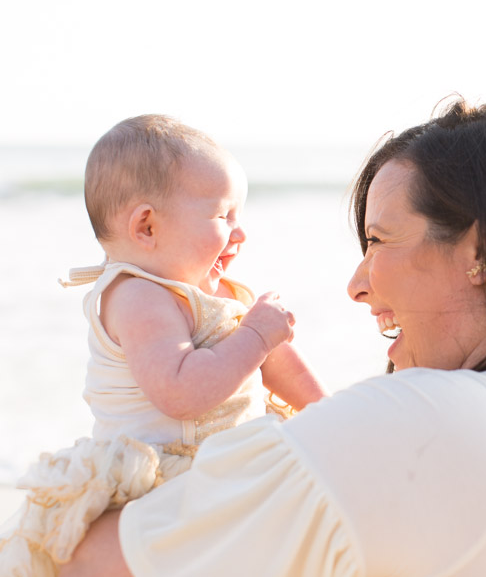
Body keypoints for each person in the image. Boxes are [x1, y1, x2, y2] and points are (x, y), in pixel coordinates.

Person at [61, 98, 486, 577]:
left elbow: (90, 565)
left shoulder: (416, 419)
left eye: (378, 241)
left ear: (480, 252)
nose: (357, 285)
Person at [0, 115, 327, 576]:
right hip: (163, 477)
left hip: (224, 465)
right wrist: (255, 336)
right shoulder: (136, 296)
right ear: (148, 227)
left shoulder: (217, 292)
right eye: (223, 216)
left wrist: (327, 410)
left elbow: (276, 365)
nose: (241, 232)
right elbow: (180, 392)